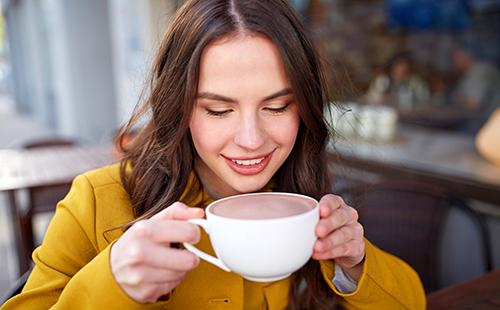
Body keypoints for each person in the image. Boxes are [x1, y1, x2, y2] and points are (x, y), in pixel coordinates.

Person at [1, 1, 425, 309]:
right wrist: (111, 283)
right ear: (180, 108)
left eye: (277, 107)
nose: (251, 139)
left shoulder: (297, 200)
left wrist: (355, 261)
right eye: (218, 110)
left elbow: (411, 302)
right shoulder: (97, 201)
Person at [450, 46, 500, 133]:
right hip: (481, 127)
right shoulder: (468, 72)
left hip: (489, 129)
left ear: (466, 57)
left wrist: (458, 99)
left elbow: (473, 105)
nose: (454, 63)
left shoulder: (481, 71)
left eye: (456, 59)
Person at [364, 52, 430, 111]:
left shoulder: (415, 82)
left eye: (405, 65)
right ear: (392, 66)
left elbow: (425, 102)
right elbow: (371, 101)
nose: (402, 68)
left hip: (410, 117)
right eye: (399, 64)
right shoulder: (383, 80)